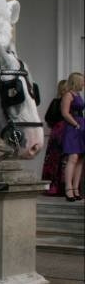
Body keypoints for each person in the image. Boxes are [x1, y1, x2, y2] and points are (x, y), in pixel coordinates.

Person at [60, 71, 85, 201]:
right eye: (82, 81)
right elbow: (65, 113)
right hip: (72, 128)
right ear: (76, 81)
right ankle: (68, 189)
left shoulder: (78, 94)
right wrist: (76, 124)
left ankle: (76, 188)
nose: (84, 83)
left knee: (81, 159)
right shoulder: (68, 95)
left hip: (81, 127)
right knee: (73, 158)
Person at [41, 80, 68, 196]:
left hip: (61, 134)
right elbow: (48, 118)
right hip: (60, 134)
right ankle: (57, 187)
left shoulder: (59, 102)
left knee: (59, 160)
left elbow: (48, 118)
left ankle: (57, 187)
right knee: (58, 160)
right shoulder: (59, 102)